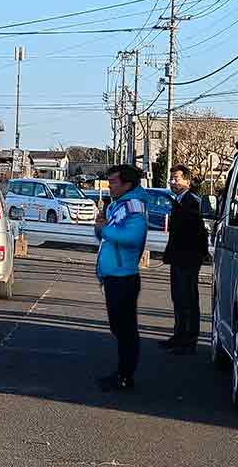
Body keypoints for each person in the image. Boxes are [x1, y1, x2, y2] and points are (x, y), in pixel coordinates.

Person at [93, 165, 147, 392]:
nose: (109, 186)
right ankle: (121, 373)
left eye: (114, 182)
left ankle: (125, 376)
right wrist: (100, 227)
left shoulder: (133, 206)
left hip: (123, 276)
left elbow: (133, 237)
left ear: (127, 184)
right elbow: (106, 235)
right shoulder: (119, 205)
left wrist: (104, 229)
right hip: (114, 275)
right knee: (119, 328)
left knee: (125, 330)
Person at [162, 165, 210, 356]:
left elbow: (199, 234)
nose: (173, 182)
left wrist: (197, 255)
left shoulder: (192, 202)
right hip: (178, 256)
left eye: (177, 178)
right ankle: (178, 334)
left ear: (187, 181)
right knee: (178, 297)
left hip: (189, 258)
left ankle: (189, 340)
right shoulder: (179, 201)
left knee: (188, 298)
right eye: (172, 179)